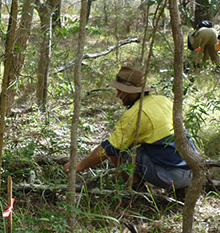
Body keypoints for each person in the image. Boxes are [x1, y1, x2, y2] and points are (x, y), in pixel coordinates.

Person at [63, 65, 197, 192]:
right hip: (193, 170)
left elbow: (108, 148)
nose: (117, 96)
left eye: (120, 91)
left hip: (172, 177)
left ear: (131, 92)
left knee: (118, 150)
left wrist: (79, 165)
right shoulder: (163, 100)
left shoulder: (134, 114)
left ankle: (137, 189)